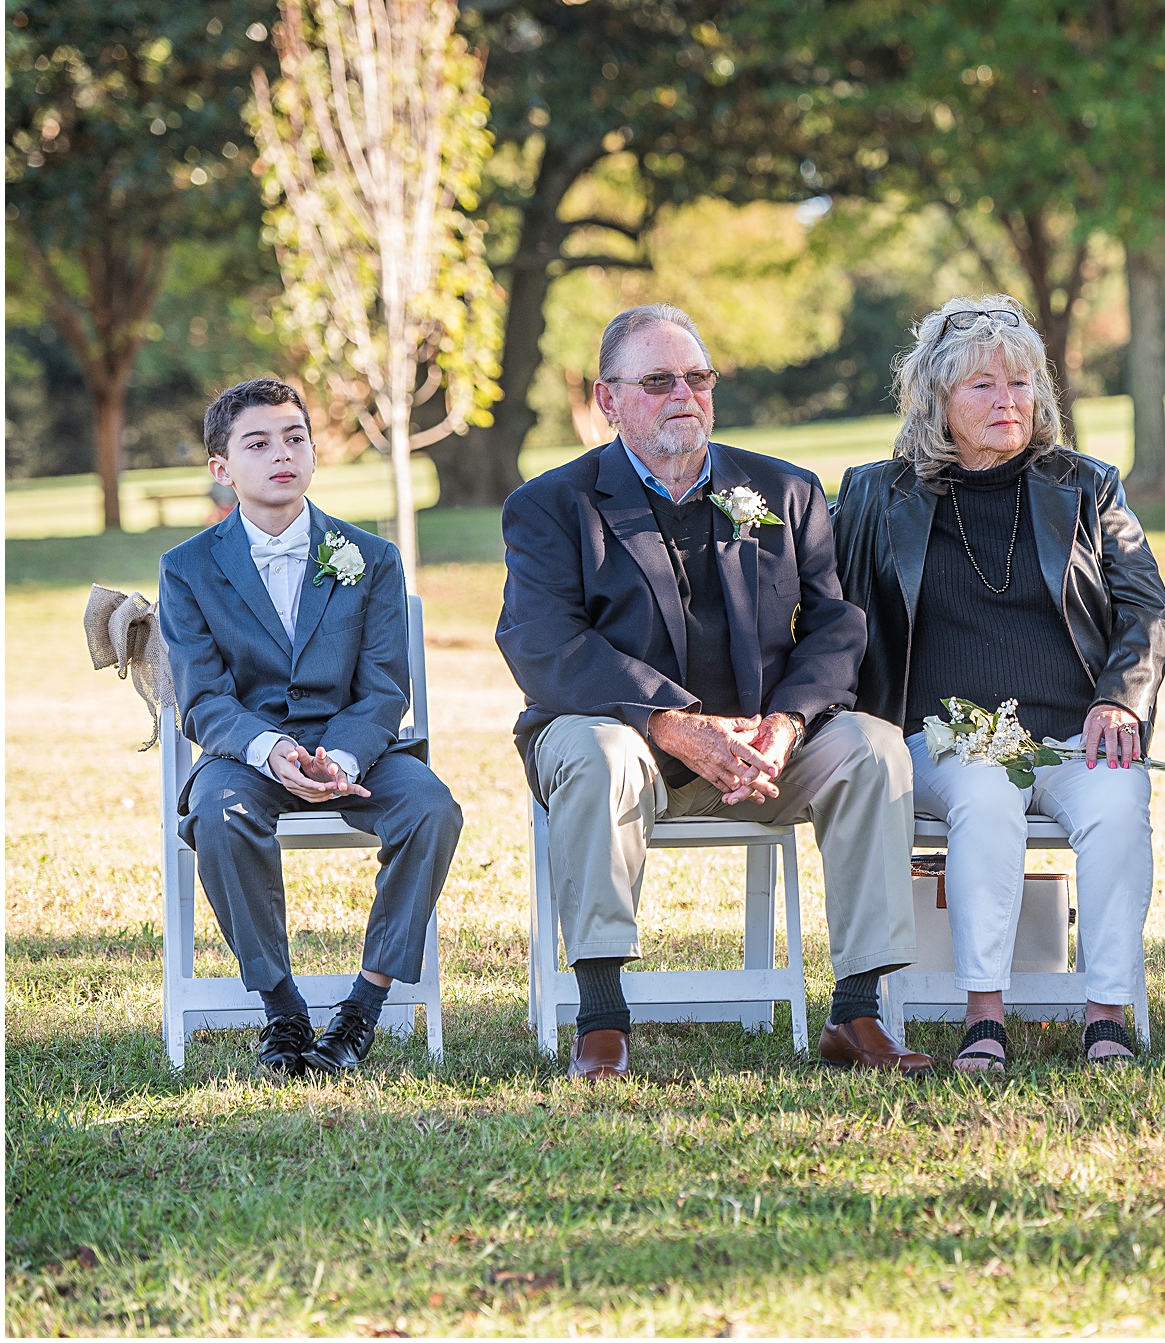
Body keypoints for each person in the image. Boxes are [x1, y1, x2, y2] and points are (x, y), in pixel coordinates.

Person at [497, 304, 932, 1080]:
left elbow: (835, 624)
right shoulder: (550, 506)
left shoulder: (784, 490)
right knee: (600, 753)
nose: (683, 396)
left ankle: (857, 1011)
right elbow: (542, 642)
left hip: (763, 751)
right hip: (616, 736)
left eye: (697, 378)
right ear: (607, 399)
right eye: (658, 381)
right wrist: (668, 721)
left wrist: (788, 723)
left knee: (873, 747)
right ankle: (602, 1020)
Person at [834, 295, 1165, 1072]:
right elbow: (826, 608)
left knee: (1119, 802)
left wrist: (1121, 695)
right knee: (986, 796)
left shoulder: (1089, 486)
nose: (1007, 401)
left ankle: (1106, 1013)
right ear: (937, 401)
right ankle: (983, 1014)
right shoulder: (875, 494)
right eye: (982, 386)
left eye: (1020, 384)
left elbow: (1146, 606)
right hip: (939, 738)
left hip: (1073, 731)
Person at [159, 378, 463, 1079]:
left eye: (295, 437)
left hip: (361, 748)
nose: (281, 454)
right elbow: (203, 698)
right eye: (257, 443)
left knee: (432, 808)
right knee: (217, 812)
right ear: (221, 468)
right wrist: (271, 750)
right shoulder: (187, 570)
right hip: (249, 753)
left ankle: (363, 1004)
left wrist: (346, 758)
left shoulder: (371, 557)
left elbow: (386, 685)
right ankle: (282, 1007)